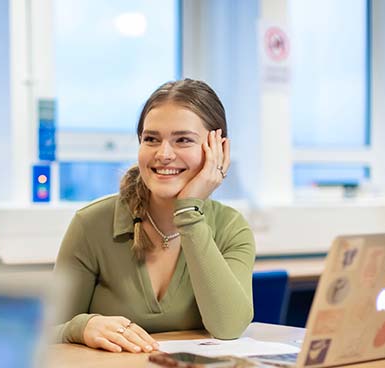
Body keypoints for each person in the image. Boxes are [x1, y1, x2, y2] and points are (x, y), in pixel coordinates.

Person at [54, 79, 256, 353]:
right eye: (151, 139)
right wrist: (82, 327)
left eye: (183, 140)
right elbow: (43, 330)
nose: (163, 154)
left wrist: (189, 212)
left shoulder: (231, 228)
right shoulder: (91, 224)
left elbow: (229, 326)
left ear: (217, 149)